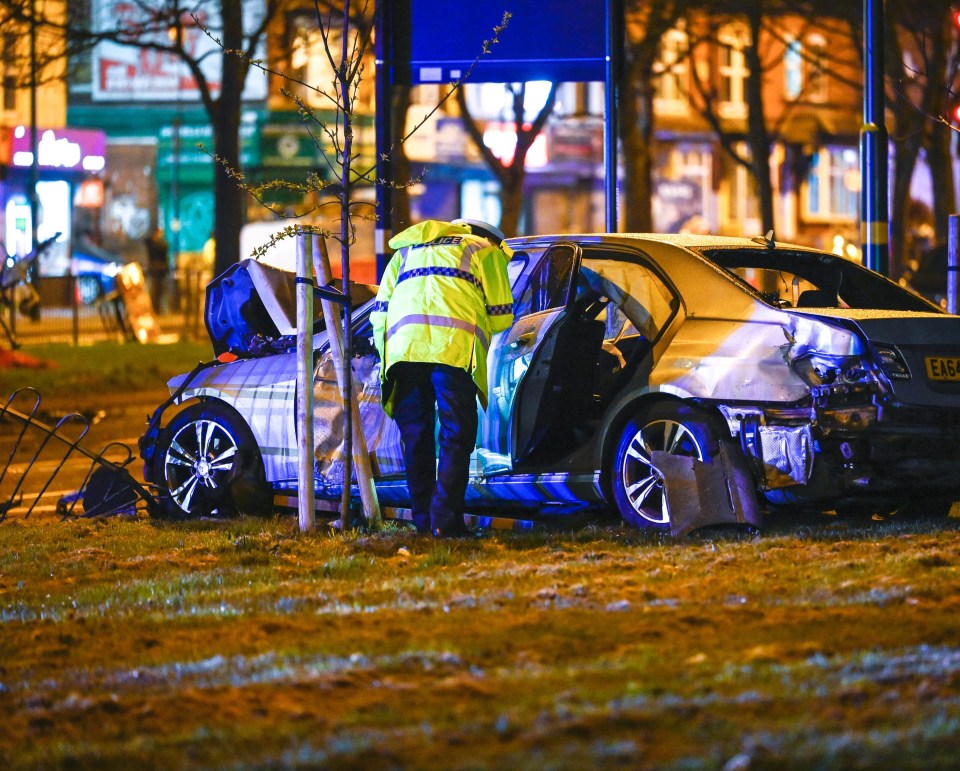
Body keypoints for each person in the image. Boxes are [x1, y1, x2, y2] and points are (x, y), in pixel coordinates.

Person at [371, 219, 515, 537]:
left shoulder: (407, 251)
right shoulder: (484, 251)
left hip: (404, 352)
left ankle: (424, 522)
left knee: (416, 439)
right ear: (489, 238)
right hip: (452, 350)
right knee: (455, 436)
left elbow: (379, 312)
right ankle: (446, 523)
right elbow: (502, 317)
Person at [144, 226, 169, 313]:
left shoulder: (161, 244)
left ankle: (157, 309)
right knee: (154, 291)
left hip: (160, 271)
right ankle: (154, 309)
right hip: (155, 270)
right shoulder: (154, 244)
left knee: (159, 291)